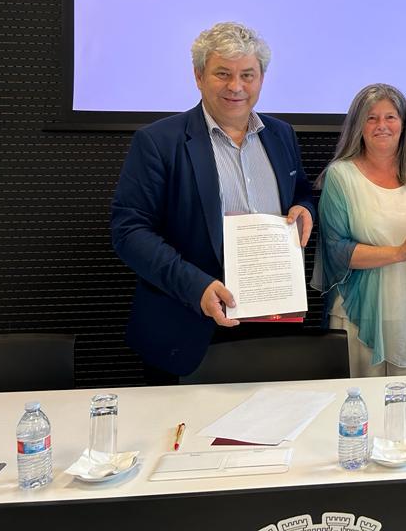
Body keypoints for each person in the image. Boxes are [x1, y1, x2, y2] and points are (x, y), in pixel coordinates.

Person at [111, 22, 315, 379]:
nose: (236, 86)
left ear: (261, 78)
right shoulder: (158, 142)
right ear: (198, 76)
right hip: (189, 326)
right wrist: (197, 287)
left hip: (273, 323)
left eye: (247, 75)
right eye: (223, 74)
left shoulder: (281, 135)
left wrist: (305, 208)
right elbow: (129, 232)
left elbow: (300, 192)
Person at [315, 84, 406, 377]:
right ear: (358, 125)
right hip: (362, 317)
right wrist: (398, 252)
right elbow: (336, 251)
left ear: (404, 123)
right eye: (371, 118)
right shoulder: (340, 175)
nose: (382, 125)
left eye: (390, 117)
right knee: (364, 402)